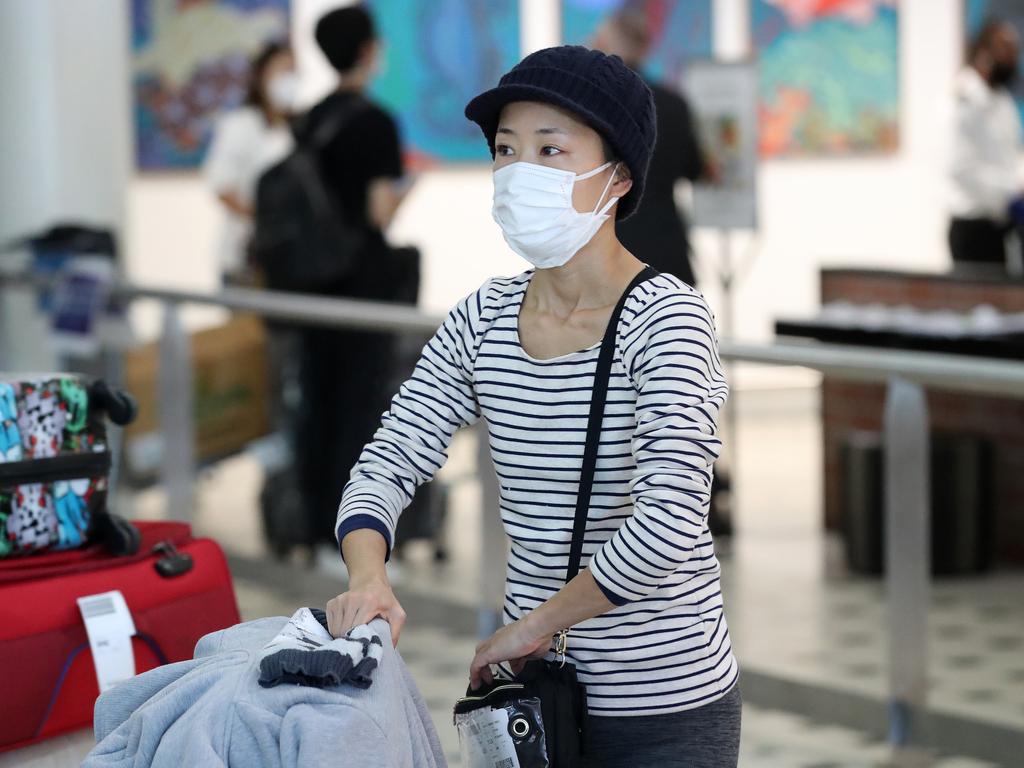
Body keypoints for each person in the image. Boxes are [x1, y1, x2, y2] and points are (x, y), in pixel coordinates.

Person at [326, 46, 741, 767]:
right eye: (507, 151)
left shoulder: (669, 318)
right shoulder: (482, 318)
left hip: (663, 702)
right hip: (534, 698)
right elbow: (389, 460)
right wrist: (369, 575)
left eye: (551, 149)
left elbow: (671, 519)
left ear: (617, 176)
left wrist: (533, 625)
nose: (521, 173)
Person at [295, 5, 413, 551]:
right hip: (361, 284)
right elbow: (379, 215)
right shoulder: (377, 122)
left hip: (312, 285)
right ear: (366, 50)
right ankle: (349, 541)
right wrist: (408, 188)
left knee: (318, 401)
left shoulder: (310, 119)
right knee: (360, 411)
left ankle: (315, 530)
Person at [590, 8, 707, 287]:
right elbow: (695, 169)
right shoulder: (673, 102)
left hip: (611, 248)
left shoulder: (595, 106)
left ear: (605, 45)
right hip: (667, 248)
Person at [204, 41, 296, 284]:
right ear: (261, 76)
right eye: (283, 70)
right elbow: (223, 188)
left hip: (292, 261)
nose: (290, 79)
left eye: (294, 72)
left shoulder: (299, 130)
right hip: (245, 259)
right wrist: (267, 219)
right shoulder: (241, 125)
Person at [949, 18, 1024, 270]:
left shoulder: (1002, 100)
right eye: (1007, 52)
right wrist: (1010, 190)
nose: (1013, 61)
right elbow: (960, 168)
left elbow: (1010, 154)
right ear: (985, 55)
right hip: (972, 227)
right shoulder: (963, 99)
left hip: (1001, 224)